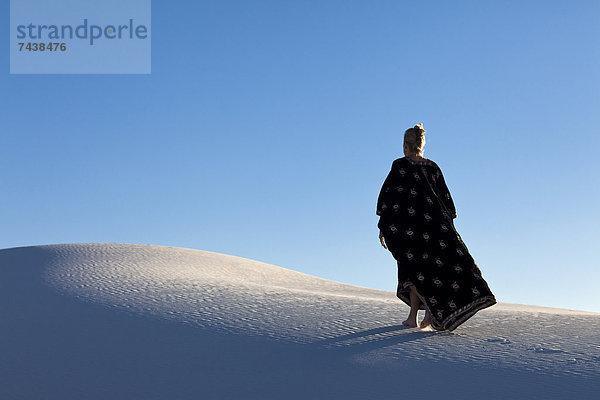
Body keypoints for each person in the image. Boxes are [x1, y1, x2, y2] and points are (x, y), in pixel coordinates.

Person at [376, 123, 496, 331]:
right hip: (434, 229)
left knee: (412, 268)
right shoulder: (432, 167)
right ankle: (414, 317)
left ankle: (428, 310)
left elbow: (390, 196)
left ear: (406, 145)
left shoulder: (400, 165)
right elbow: (446, 200)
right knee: (420, 271)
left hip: (409, 229)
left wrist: (385, 225)